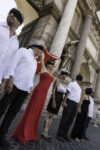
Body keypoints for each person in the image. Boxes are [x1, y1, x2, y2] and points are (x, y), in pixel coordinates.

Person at [0, 42, 43, 149]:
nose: (41, 52)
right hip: (14, 85)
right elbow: (12, 65)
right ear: (35, 47)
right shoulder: (23, 51)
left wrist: (30, 89)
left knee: (13, 112)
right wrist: (10, 80)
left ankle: (2, 134)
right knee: (2, 107)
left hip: (24, 90)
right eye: (41, 50)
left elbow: (31, 76)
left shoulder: (34, 61)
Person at [12, 53, 61, 144]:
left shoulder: (51, 72)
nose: (52, 65)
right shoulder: (43, 68)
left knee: (37, 112)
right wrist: (43, 55)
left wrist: (59, 61)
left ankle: (30, 133)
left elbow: (56, 68)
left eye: (53, 64)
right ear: (47, 64)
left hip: (44, 94)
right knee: (31, 110)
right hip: (38, 92)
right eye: (51, 64)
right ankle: (23, 133)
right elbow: (42, 59)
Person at [0, 8, 24, 91]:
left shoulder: (16, 43)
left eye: (16, 14)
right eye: (11, 12)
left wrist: (3, 81)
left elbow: (10, 64)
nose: (12, 14)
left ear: (20, 23)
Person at [41, 71, 69, 139]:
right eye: (65, 75)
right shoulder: (57, 80)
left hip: (59, 100)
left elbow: (65, 94)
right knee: (48, 115)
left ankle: (46, 131)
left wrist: (63, 101)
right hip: (55, 98)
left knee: (52, 116)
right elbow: (53, 91)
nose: (65, 77)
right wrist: (53, 101)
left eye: (66, 76)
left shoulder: (64, 83)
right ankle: (44, 131)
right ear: (62, 74)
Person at [56, 74, 83, 142]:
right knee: (65, 119)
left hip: (75, 104)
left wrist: (78, 106)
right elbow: (67, 92)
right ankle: (59, 135)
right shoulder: (72, 83)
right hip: (69, 102)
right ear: (80, 80)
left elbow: (78, 97)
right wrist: (64, 101)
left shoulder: (79, 88)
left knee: (70, 120)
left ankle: (65, 134)